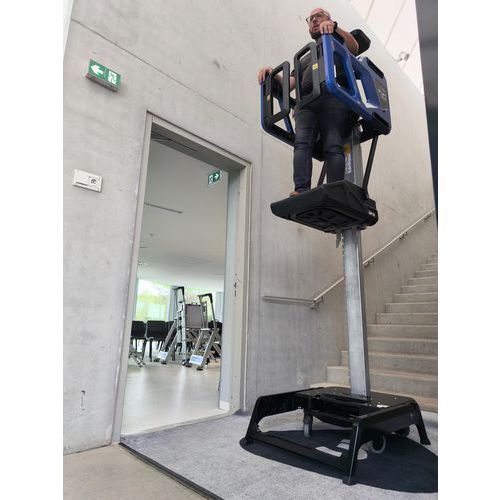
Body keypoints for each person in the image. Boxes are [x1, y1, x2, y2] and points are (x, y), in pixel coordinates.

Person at [257, 7, 359, 196]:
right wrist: (271, 74)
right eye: (310, 18)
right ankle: (301, 190)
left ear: (329, 19)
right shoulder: (304, 57)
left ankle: (334, 193)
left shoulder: (338, 41)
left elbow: (354, 47)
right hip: (307, 104)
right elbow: (289, 84)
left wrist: (335, 28)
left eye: (319, 16)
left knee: (333, 145)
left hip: (334, 97)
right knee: (301, 144)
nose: (313, 20)